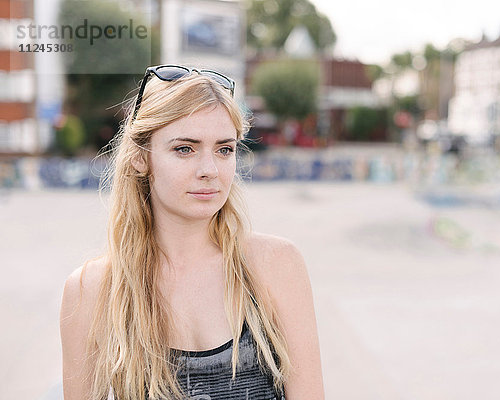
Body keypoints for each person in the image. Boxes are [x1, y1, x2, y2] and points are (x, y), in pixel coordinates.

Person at [59, 65, 325, 400]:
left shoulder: (276, 265)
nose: (209, 170)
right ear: (141, 158)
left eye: (224, 149)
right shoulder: (92, 290)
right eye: (185, 148)